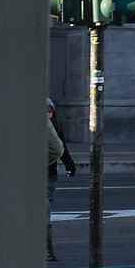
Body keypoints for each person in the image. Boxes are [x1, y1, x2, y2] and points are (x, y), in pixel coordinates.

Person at [47, 103, 76, 260]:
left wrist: (69, 164)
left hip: (50, 175)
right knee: (44, 212)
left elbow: (62, 148)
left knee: (47, 211)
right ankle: (47, 249)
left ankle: (46, 248)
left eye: (51, 109)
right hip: (40, 175)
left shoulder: (55, 127)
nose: (49, 112)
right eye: (46, 109)